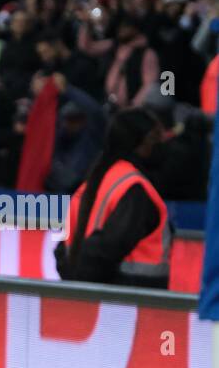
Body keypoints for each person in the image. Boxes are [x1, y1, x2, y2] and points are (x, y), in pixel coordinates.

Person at [55, 108, 173, 289]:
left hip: (85, 297)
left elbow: (63, 247)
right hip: (130, 302)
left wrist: (74, 283)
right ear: (138, 143)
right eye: (154, 138)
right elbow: (108, 247)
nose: (160, 144)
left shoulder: (93, 181)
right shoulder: (133, 187)